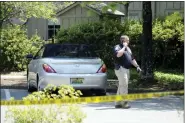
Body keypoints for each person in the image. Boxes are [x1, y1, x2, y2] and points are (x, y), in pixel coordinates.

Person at [113, 35, 142, 109]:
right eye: (127, 40)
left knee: (121, 85)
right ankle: (124, 103)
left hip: (126, 69)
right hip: (120, 69)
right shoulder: (118, 47)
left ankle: (117, 103)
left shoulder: (128, 49)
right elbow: (118, 55)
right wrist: (124, 47)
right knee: (124, 85)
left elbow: (132, 59)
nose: (128, 42)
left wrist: (137, 66)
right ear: (123, 41)